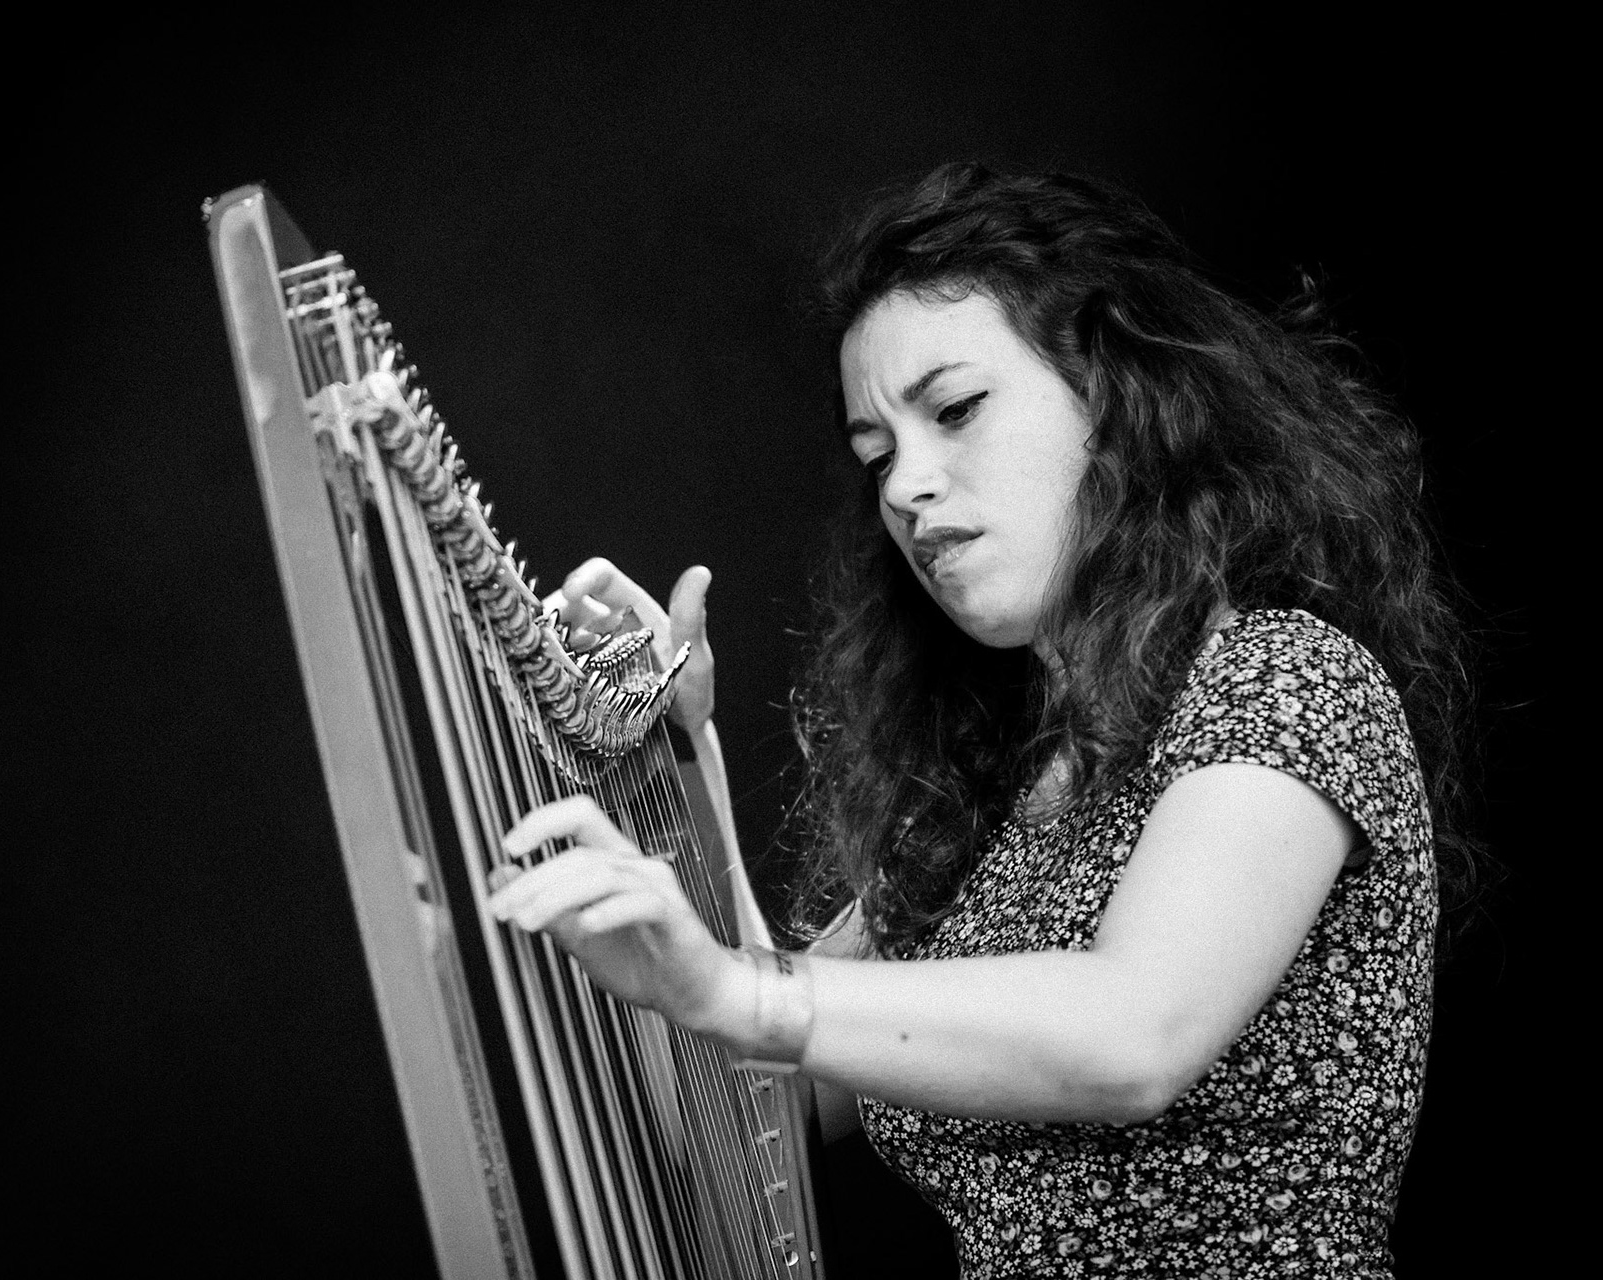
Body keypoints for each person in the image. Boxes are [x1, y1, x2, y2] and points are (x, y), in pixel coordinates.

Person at [485, 162, 1476, 1277]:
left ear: (1118, 394)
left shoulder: (1285, 678)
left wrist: (729, 989)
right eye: (877, 456)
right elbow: (759, 1107)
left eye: (954, 411)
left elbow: (1129, 1035)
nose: (906, 485)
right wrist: (666, 767)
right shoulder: (980, 788)